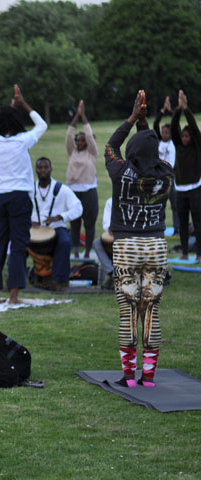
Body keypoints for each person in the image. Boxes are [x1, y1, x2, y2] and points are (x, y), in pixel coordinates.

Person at [105, 90, 172, 387]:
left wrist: (133, 118)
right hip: (156, 246)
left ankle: (129, 378)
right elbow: (150, 152)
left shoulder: (120, 172)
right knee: (152, 311)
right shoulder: (165, 175)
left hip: (127, 246)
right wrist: (145, 127)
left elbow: (110, 146)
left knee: (128, 311)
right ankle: (149, 377)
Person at [0, 85, 47, 304]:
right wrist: (23, 104)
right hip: (20, 198)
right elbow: (42, 125)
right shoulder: (22, 142)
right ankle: (13, 296)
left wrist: (10, 107)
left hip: (0, 198)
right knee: (19, 246)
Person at [30, 157, 83, 291]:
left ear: (50, 169)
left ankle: (58, 279)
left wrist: (60, 217)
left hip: (56, 227)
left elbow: (78, 207)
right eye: (40, 167)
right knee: (17, 241)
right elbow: (19, 209)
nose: (43, 170)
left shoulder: (61, 189)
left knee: (64, 242)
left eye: (45, 167)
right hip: (34, 228)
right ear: (36, 170)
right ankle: (12, 277)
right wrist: (29, 221)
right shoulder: (29, 190)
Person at [65, 100, 99, 259]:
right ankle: (76, 251)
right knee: (75, 223)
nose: (79, 142)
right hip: (73, 192)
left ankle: (87, 252)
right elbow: (68, 134)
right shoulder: (72, 152)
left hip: (89, 192)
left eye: (82, 140)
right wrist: (76, 117)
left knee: (89, 224)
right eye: (78, 140)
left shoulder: (92, 153)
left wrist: (83, 116)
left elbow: (90, 135)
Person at [170, 90, 201, 261]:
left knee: (197, 222)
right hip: (180, 190)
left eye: (186, 135)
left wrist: (187, 110)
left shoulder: (197, 146)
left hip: (195, 189)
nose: (184, 138)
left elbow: (195, 129)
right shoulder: (178, 145)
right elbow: (174, 126)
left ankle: (199, 253)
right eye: (182, 135)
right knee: (182, 223)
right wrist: (178, 109)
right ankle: (184, 252)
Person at [153, 96, 178, 230]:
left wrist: (171, 111)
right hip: (160, 176)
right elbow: (156, 124)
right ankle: (158, 226)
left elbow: (177, 123)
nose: (164, 134)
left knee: (175, 204)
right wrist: (163, 111)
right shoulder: (159, 141)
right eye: (163, 132)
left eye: (167, 132)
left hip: (171, 176)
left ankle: (177, 227)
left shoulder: (174, 142)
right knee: (159, 203)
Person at [91, 197, 114, 289]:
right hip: (115, 234)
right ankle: (111, 272)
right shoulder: (110, 201)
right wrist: (110, 227)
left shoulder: (133, 200)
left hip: (129, 234)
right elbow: (106, 223)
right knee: (97, 243)